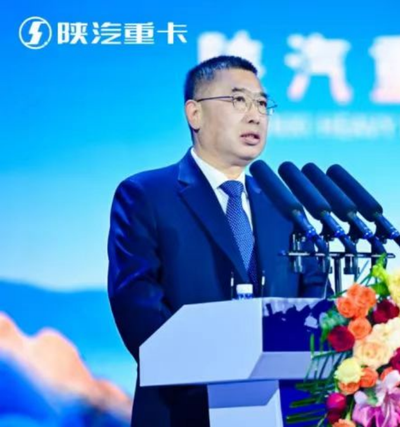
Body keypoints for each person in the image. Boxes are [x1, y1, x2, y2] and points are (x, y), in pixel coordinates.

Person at [107, 55, 329, 427]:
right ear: (194, 114)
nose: (255, 115)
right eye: (238, 100)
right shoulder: (146, 195)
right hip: (184, 411)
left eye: (262, 104)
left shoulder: (283, 204)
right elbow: (138, 306)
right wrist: (226, 367)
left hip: (283, 410)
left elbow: (314, 290)